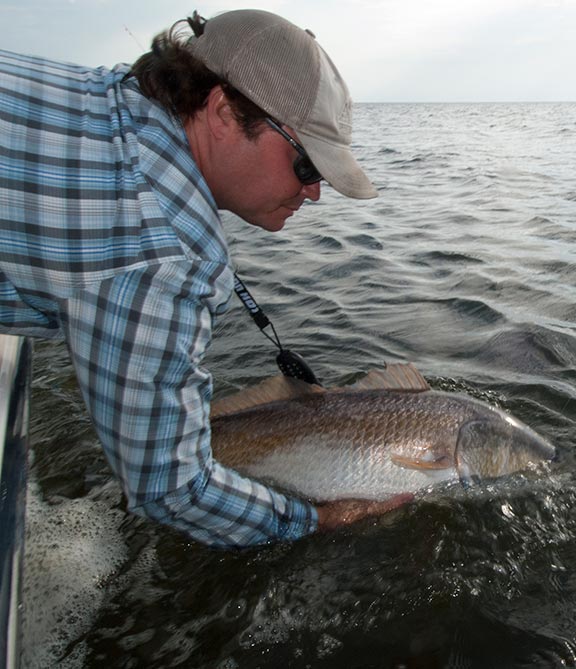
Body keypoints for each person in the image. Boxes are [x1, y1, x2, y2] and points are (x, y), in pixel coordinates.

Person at [0, 9, 408, 548]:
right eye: (308, 166)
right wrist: (320, 521)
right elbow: (170, 488)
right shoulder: (165, 249)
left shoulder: (106, 98)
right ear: (222, 111)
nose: (314, 192)